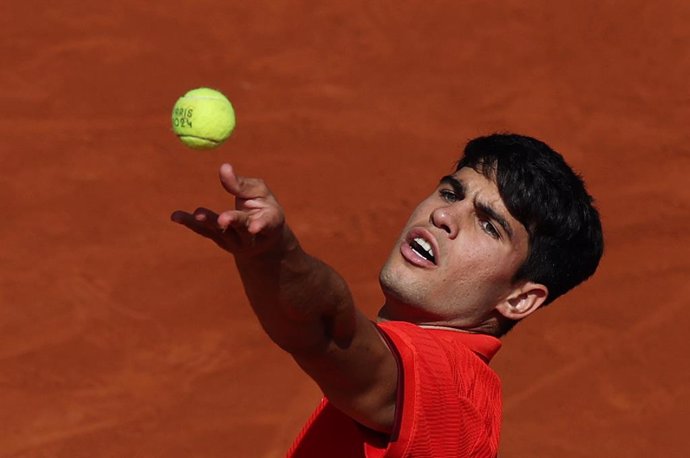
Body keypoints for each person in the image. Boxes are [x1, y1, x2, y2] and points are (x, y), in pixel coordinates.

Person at [171, 133, 604, 457]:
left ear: (519, 300)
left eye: (489, 225)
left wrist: (276, 253)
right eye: (451, 193)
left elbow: (329, 335)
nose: (443, 215)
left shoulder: (454, 395)